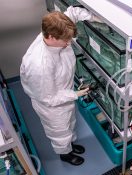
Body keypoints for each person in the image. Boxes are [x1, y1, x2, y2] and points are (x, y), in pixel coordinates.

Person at [20, 7, 101, 166]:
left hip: (63, 92)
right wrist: (76, 94)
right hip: (51, 106)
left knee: (70, 122)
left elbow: (73, 13)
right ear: (50, 37)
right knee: (60, 131)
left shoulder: (56, 28)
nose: (68, 43)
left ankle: (70, 145)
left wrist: (95, 18)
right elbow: (48, 98)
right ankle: (65, 154)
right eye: (65, 40)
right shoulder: (40, 65)